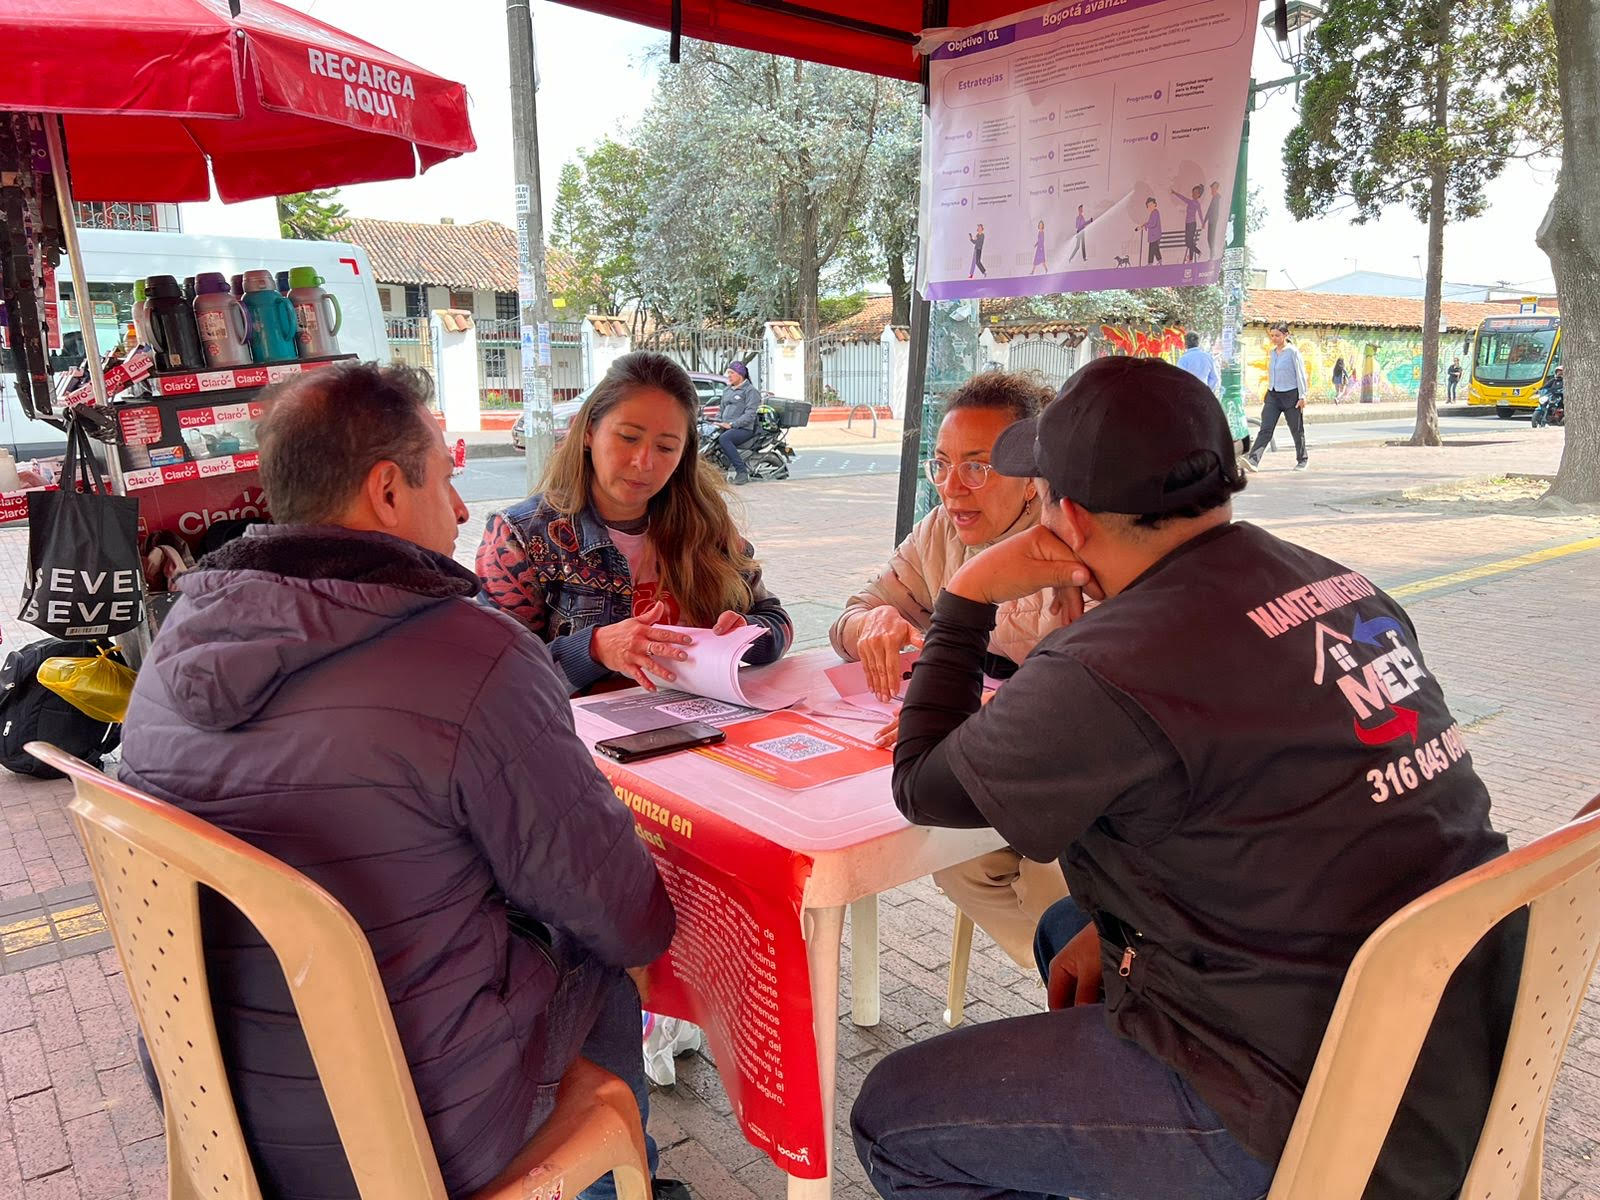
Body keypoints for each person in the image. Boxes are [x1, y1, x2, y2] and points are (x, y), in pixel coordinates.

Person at [850, 356, 1522, 1200]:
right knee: (1068, 924)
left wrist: (968, 596)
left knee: (895, 1115)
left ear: (1070, 520)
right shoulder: (1343, 586)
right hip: (1468, 1033)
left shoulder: (1112, 660)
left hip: (1305, 1098)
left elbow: (924, 786)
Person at [117, 362, 689, 1200]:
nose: (461, 510)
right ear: (388, 491)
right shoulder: (476, 653)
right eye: (447, 481)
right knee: (597, 957)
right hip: (406, 1133)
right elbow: (630, 920)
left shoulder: (174, 644)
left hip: (206, 1098)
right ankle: (613, 1180)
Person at [830, 372, 1070, 969]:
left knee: (1050, 873)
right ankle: (1074, 983)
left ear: (1033, 476)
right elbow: (847, 620)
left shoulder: (1073, 541)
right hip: (979, 770)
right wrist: (876, 623)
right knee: (957, 855)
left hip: (1061, 778)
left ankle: (1094, 995)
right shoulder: (939, 532)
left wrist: (998, 718)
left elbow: (1086, 698)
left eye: (978, 466)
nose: (952, 488)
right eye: (940, 465)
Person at [477, 350, 792, 695]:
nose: (644, 462)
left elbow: (776, 621)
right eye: (628, 438)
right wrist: (593, 649)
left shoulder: (705, 525)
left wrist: (744, 634)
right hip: (578, 741)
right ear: (588, 431)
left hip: (700, 728)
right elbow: (493, 676)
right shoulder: (522, 536)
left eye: (666, 447)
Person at [1246, 321, 1309, 470]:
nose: (1274, 338)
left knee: (1296, 429)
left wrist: (1302, 396)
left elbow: (1300, 375)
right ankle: (1253, 461)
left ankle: (1302, 459)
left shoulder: (1293, 352)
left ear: (1286, 335)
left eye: (1277, 335)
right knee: (1265, 428)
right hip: (1273, 396)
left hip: (1291, 396)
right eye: (1272, 335)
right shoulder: (1272, 352)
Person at [713, 359, 762, 484]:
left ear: (740, 374)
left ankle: (742, 472)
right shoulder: (727, 390)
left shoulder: (750, 391)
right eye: (728, 373)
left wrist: (732, 424)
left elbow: (750, 415)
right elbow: (721, 409)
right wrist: (716, 421)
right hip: (726, 426)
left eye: (731, 373)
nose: (729, 376)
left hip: (744, 429)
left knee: (725, 439)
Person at [1170, 184, 1204, 263]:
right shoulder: (1190, 201)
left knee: (1189, 242)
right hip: (1188, 224)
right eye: (1193, 192)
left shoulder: (1196, 204)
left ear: (1199, 195)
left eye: (1195, 193)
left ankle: (1198, 252)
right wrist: (1175, 193)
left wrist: (1203, 223)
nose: (1193, 194)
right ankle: (1191, 259)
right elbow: (1182, 198)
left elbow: (1200, 213)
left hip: (1192, 224)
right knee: (1189, 242)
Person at [1137, 197, 1163, 264]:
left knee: (1152, 249)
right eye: (1148, 206)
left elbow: (1153, 223)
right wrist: (1143, 225)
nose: (1150, 207)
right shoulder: (1153, 213)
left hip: (1155, 235)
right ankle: (1160, 261)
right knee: (1155, 249)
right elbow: (1150, 222)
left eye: (1151, 205)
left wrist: (1145, 225)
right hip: (1153, 235)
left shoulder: (1155, 212)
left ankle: (1150, 263)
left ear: (1155, 204)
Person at [1203, 179, 1224, 258]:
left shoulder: (1217, 198)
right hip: (1211, 221)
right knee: (1209, 239)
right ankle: (1212, 255)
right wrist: (1204, 221)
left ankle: (1212, 256)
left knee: (1211, 239)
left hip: (1213, 221)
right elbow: (1209, 210)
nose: (1212, 189)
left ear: (1216, 188)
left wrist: (1214, 220)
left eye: (1214, 188)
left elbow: (1216, 211)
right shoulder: (1214, 198)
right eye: (1212, 187)